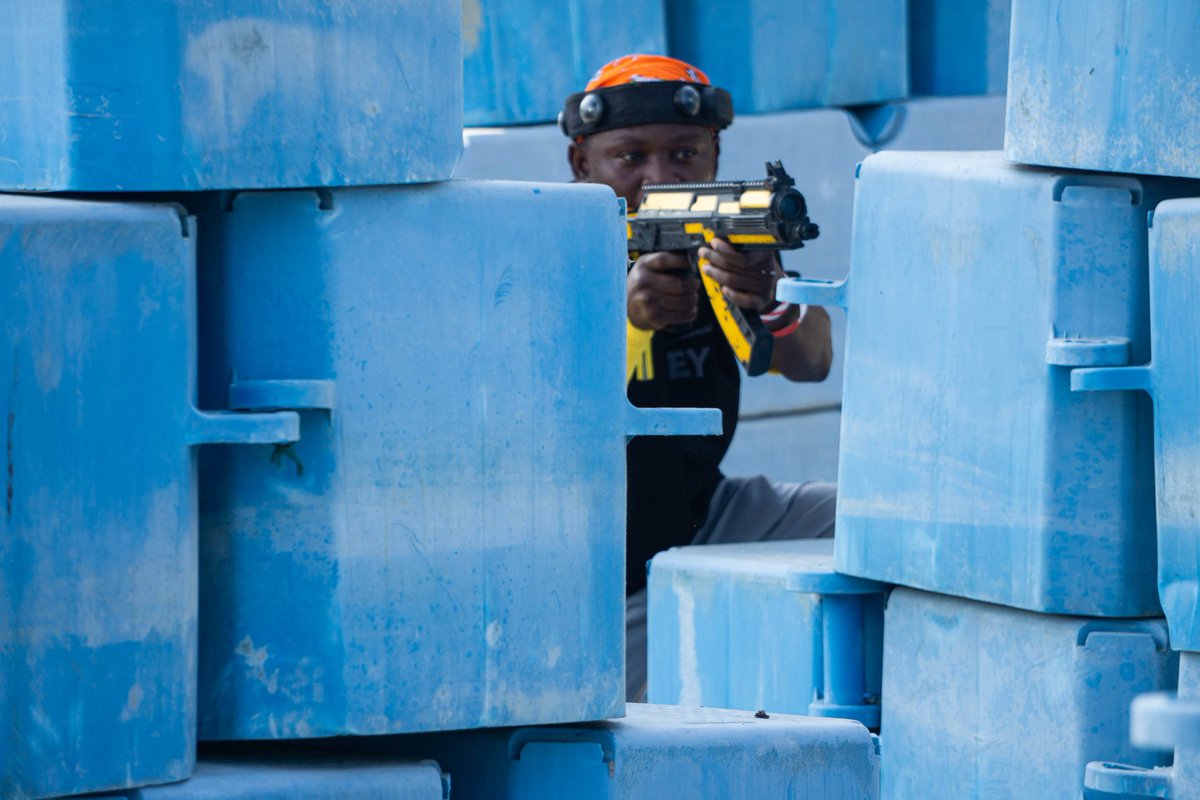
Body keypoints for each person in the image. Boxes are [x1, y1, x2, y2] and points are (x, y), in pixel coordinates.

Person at [561, 54, 836, 700]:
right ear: (582, 165)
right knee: (677, 725)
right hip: (601, 570)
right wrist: (628, 320)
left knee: (881, 530)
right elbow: (553, 425)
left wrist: (766, 293)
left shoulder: (714, 235)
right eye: (629, 157)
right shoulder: (555, 255)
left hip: (703, 513)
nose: (657, 179)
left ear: (714, 155)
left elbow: (814, 360)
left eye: (684, 155)